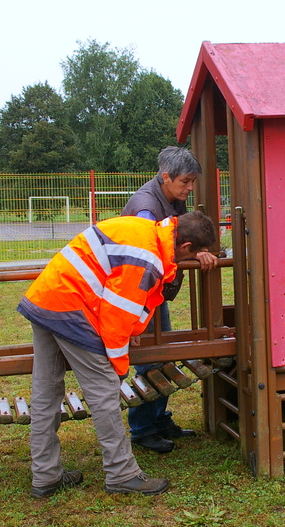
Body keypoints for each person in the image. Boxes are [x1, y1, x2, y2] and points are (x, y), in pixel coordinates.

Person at [18, 211, 217, 498]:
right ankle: (122, 474)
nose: (183, 263)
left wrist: (132, 330)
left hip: (47, 298)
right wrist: (118, 366)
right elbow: (116, 318)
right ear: (185, 246)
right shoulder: (145, 257)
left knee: (46, 393)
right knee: (105, 394)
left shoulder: (146, 231)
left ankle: (46, 476)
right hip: (72, 310)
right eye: (189, 257)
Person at [121, 146, 219, 454]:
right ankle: (143, 429)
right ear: (166, 177)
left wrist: (198, 250)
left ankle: (158, 420)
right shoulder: (146, 209)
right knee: (152, 360)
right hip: (140, 290)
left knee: (162, 354)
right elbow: (146, 258)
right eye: (186, 182)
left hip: (153, 291)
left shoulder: (171, 199)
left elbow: (181, 240)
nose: (190, 188)